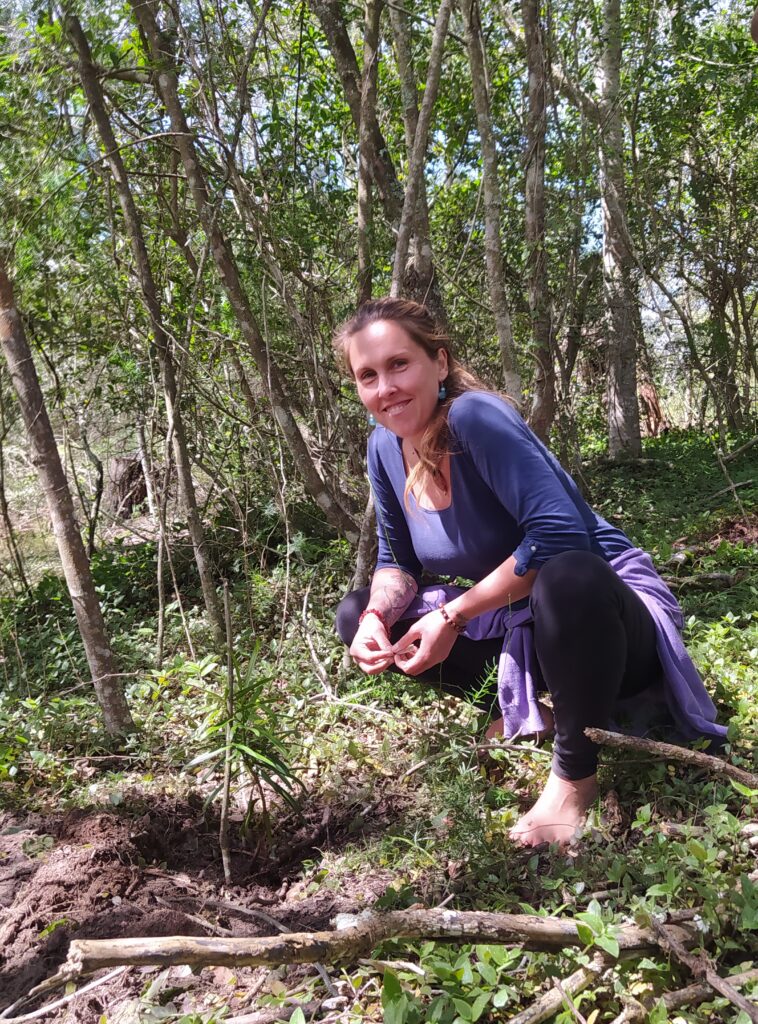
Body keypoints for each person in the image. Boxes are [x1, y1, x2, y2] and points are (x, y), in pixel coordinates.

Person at [334, 297, 726, 847]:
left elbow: (563, 538)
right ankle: (523, 710)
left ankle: (573, 778)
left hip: (600, 609)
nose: (386, 388)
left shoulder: (474, 418)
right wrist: (378, 616)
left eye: (400, 364)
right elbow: (397, 560)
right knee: (355, 612)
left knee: (567, 576)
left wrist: (453, 613)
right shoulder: (383, 447)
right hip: (524, 618)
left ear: (439, 364)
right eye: (367, 375)